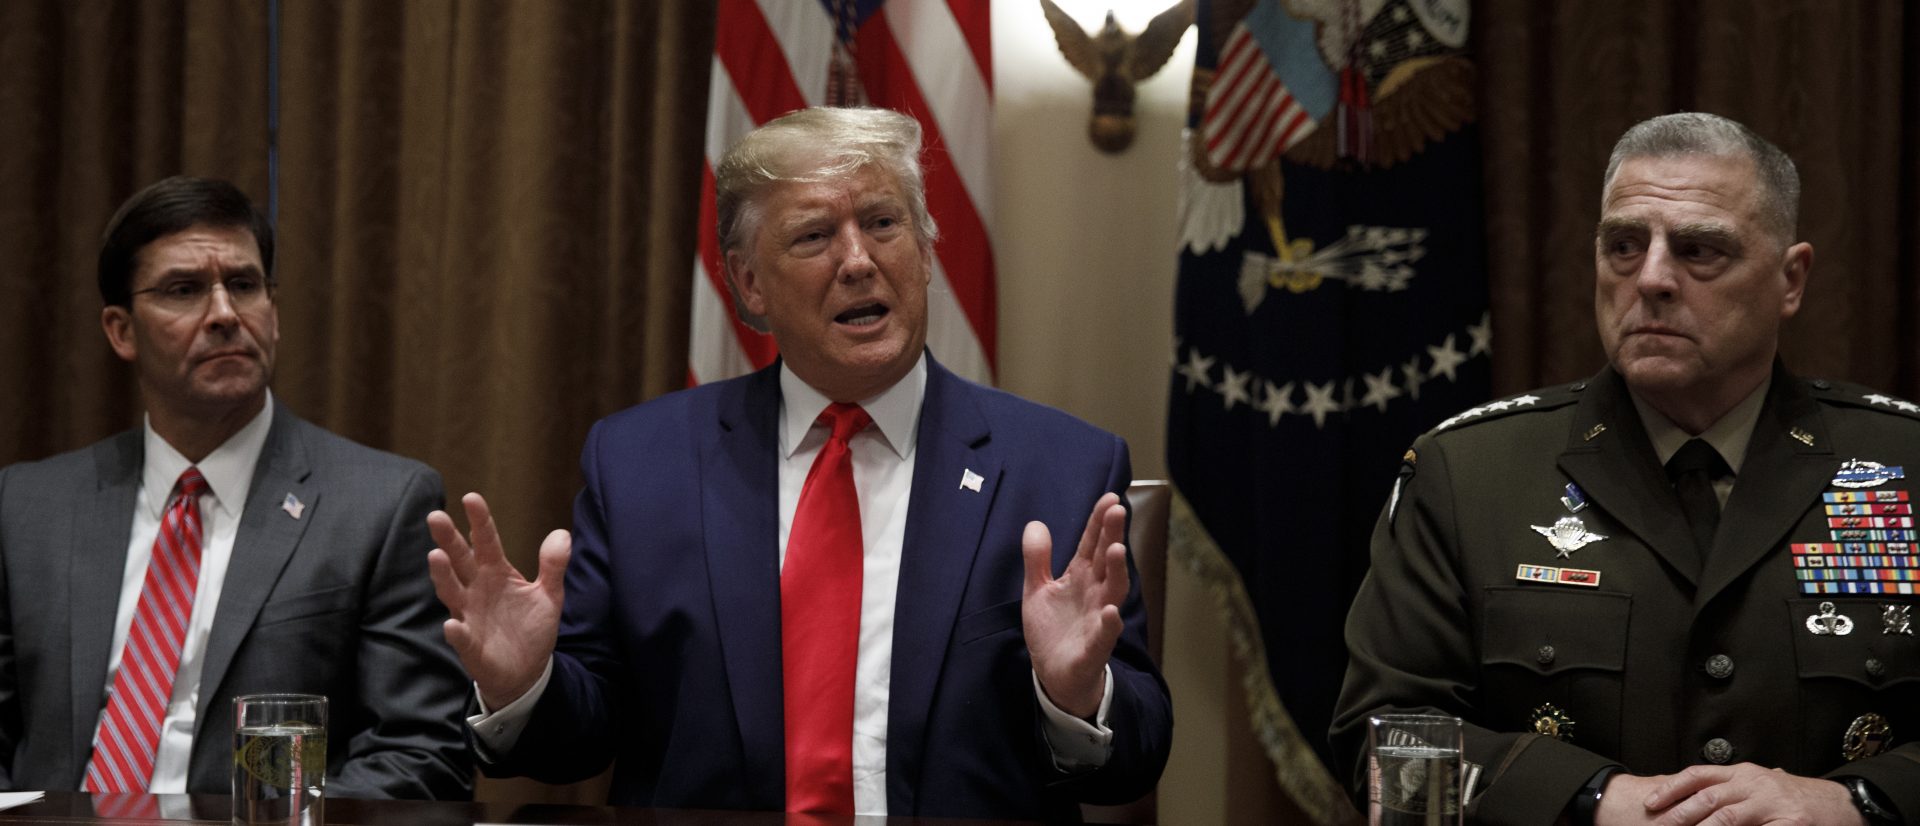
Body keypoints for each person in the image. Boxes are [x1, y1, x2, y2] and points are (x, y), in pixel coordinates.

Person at [426, 106, 1172, 820]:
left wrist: (1078, 697)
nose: (858, 261)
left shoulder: (1061, 466)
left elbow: (1138, 754)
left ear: (925, 247)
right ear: (749, 284)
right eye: (815, 236)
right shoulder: (641, 463)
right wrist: (525, 686)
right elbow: (580, 738)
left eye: (883, 224)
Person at [1333, 112, 1915, 825]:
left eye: (1700, 250)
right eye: (1623, 246)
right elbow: (1379, 747)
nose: (1652, 279)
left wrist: (1859, 801)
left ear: (1790, 279)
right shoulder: (1467, 473)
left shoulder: (1902, 462)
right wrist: (1588, 800)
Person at [0, 176, 472, 799]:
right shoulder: (28, 506)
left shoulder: (381, 505)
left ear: (272, 315)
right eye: (184, 290)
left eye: (244, 285)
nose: (224, 314)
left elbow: (421, 756)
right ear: (121, 330)